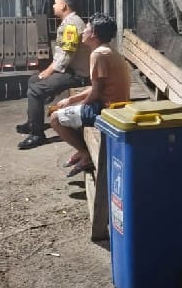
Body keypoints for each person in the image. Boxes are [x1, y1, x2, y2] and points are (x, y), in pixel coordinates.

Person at [48, 13, 130, 175]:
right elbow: (97, 86)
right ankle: (83, 151)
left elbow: (96, 92)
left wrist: (80, 105)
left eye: (86, 28)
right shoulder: (107, 51)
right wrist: (71, 100)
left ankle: (85, 153)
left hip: (107, 110)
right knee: (69, 111)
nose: (83, 32)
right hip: (113, 105)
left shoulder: (98, 55)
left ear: (93, 34)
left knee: (55, 118)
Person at [17, 0, 91, 150]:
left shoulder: (71, 25)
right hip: (69, 70)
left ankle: (37, 135)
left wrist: (48, 72)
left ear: (64, 6)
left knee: (35, 91)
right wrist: (46, 73)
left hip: (78, 75)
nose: (53, 6)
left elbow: (65, 56)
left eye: (56, 3)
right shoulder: (69, 22)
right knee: (33, 80)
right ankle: (32, 122)